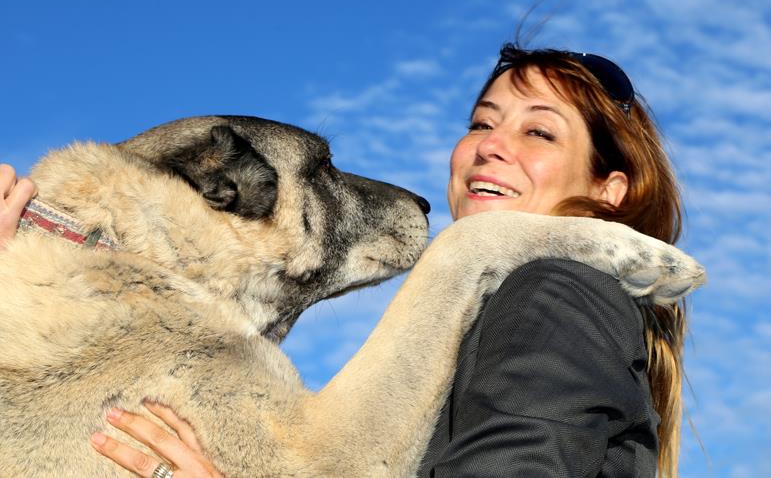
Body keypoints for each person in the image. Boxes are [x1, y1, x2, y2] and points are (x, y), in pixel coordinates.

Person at [0, 43, 691, 477]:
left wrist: (468, 253)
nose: (489, 146)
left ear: (608, 190)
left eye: (538, 131)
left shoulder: (558, 293)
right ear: (219, 188)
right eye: (481, 123)